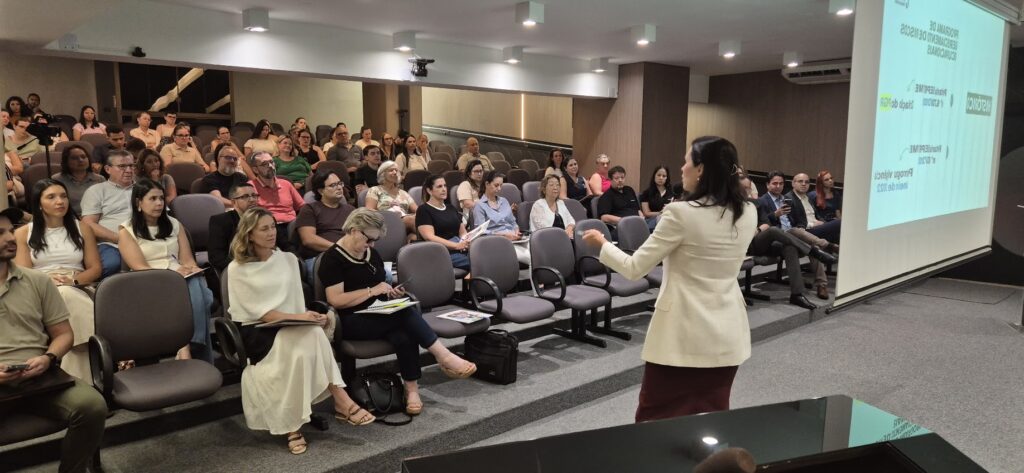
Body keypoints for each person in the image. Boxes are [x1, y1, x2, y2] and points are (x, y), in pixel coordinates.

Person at [582, 136, 757, 422]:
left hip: (682, 337)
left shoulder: (680, 213)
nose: (682, 168)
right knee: (710, 421)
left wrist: (602, 244)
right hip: (727, 334)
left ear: (700, 169)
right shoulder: (748, 211)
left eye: (686, 161)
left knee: (654, 421)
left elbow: (634, 268)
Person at [227, 207, 374, 455]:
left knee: (313, 333)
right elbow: (261, 313)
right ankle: (335, 405)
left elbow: (295, 302)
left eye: (273, 226)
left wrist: (310, 316)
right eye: (264, 229)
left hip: (292, 323)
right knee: (302, 341)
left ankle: (305, 419)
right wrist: (300, 318)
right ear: (249, 234)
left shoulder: (287, 260)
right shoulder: (237, 268)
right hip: (259, 331)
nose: (271, 233)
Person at [320, 209, 477, 417]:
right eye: (369, 239)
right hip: (351, 320)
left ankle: (412, 390)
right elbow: (336, 300)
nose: (372, 245)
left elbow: (379, 286)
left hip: (378, 312)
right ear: (354, 231)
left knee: (404, 329)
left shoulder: (371, 254)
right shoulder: (333, 258)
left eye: (376, 240)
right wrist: (372, 291)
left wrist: (391, 292)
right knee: (405, 315)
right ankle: (443, 356)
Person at [0, 206, 107, 473]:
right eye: (0, 233)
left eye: (11, 231)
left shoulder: (37, 281)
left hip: (39, 376)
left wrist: (49, 358)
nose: (10, 238)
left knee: (92, 406)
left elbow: (64, 334)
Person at [15, 179, 103, 382]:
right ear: (39, 203)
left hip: (78, 285)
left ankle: (79, 381)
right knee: (62, 293)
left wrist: (72, 281)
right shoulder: (23, 233)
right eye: (51, 197)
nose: (60, 201)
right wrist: (47, 282)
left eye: (63, 196)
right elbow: (23, 273)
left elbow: (95, 269)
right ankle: (107, 347)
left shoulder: (82, 228)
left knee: (66, 293)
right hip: (39, 288)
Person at [119, 178, 214, 362]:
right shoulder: (127, 231)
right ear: (138, 202)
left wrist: (192, 269)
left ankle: (186, 347)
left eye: (161, 198)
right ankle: (192, 346)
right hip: (148, 279)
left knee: (196, 282)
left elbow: (187, 260)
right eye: (153, 198)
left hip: (180, 274)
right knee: (203, 296)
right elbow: (140, 267)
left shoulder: (174, 224)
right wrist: (174, 276)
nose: (159, 203)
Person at [742, 176, 834, 310]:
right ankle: (814, 251)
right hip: (746, 244)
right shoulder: (729, 205)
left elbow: (765, 223)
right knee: (775, 230)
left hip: (765, 239)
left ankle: (797, 294)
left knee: (790, 246)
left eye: (748, 188)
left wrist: (758, 229)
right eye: (742, 188)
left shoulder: (755, 204)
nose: (746, 191)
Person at [80, 149, 135, 278]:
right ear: (108, 169)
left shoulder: (145, 189)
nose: (128, 170)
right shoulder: (96, 191)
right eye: (122, 166)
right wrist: (120, 238)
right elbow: (88, 224)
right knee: (111, 264)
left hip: (146, 239)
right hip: (112, 243)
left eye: (131, 166)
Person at [297, 169, 355, 275]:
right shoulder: (309, 209)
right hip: (321, 257)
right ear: (321, 191)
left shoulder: (350, 210)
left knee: (381, 272)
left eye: (340, 183)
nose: (339, 187)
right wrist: (340, 248)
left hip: (350, 256)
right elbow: (308, 239)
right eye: (333, 185)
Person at [250, 151, 304, 249]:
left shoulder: (286, 184)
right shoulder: (250, 187)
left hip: (292, 226)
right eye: (264, 164)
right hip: (269, 228)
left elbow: (302, 207)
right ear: (255, 169)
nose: (270, 166)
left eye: (271, 162)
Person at [473, 171, 529, 264]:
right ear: (487, 184)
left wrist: (516, 230)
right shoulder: (480, 206)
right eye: (496, 185)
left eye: (501, 185)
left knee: (537, 251)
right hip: (497, 242)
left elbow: (513, 222)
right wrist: (504, 235)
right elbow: (480, 232)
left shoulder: (504, 201)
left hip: (514, 239)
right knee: (532, 258)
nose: (499, 189)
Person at [416, 175, 470, 270]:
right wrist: (456, 246)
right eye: (439, 186)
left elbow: (462, 232)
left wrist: (465, 241)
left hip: (460, 248)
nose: (444, 189)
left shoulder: (451, 208)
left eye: (445, 186)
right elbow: (429, 237)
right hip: (441, 252)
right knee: (478, 262)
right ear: (429, 190)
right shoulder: (423, 210)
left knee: (484, 257)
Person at [208, 182, 258, 272]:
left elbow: (281, 245)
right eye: (245, 196)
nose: (252, 200)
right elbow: (217, 257)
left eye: (254, 195)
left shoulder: (266, 218)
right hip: (238, 269)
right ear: (234, 202)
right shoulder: (220, 221)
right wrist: (247, 265)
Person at [787, 172, 841, 244]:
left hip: (817, 226)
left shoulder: (807, 197)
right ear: (793, 183)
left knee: (836, 230)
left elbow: (817, 215)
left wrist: (823, 223)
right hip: (806, 231)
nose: (804, 184)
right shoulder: (789, 199)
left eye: (807, 182)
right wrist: (812, 225)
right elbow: (792, 224)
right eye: (800, 181)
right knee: (840, 223)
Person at [52, 144, 105, 216]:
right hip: (69, 218)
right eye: (74, 158)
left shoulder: (100, 179)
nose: (80, 160)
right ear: (66, 161)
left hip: (97, 217)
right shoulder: (57, 180)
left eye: (83, 157)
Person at [597, 165, 648, 232]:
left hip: (638, 223)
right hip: (622, 226)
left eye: (622, 177)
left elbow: (637, 209)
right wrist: (624, 221)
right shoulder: (606, 196)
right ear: (610, 180)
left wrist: (642, 219)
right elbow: (604, 217)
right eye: (616, 178)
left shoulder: (629, 190)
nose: (620, 180)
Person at [197, 143, 249, 208]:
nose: (232, 161)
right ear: (219, 159)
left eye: (235, 159)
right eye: (228, 157)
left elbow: (249, 196)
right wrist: (241, 205)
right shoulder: (209, 179)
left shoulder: (241, 177)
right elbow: (218, 199)